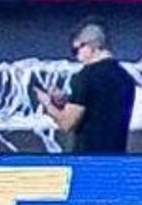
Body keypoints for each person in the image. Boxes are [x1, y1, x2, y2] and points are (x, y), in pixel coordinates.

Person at [41, 21, 133, 154]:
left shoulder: (85, 77)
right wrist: (66, 102)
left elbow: (67, 123)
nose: (77, 56)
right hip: (117, 157)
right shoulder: (125, 78)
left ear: (91, 46)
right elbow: (101, 107)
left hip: (88, 157)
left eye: (76, 50)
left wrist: (48, 104)